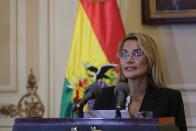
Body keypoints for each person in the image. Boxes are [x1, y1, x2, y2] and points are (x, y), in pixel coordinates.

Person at [93, 33, 187, 131]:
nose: (129, 60)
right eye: (124, 54)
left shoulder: (169, 98)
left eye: (137, 53)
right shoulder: (104, 96)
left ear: (150, 60)